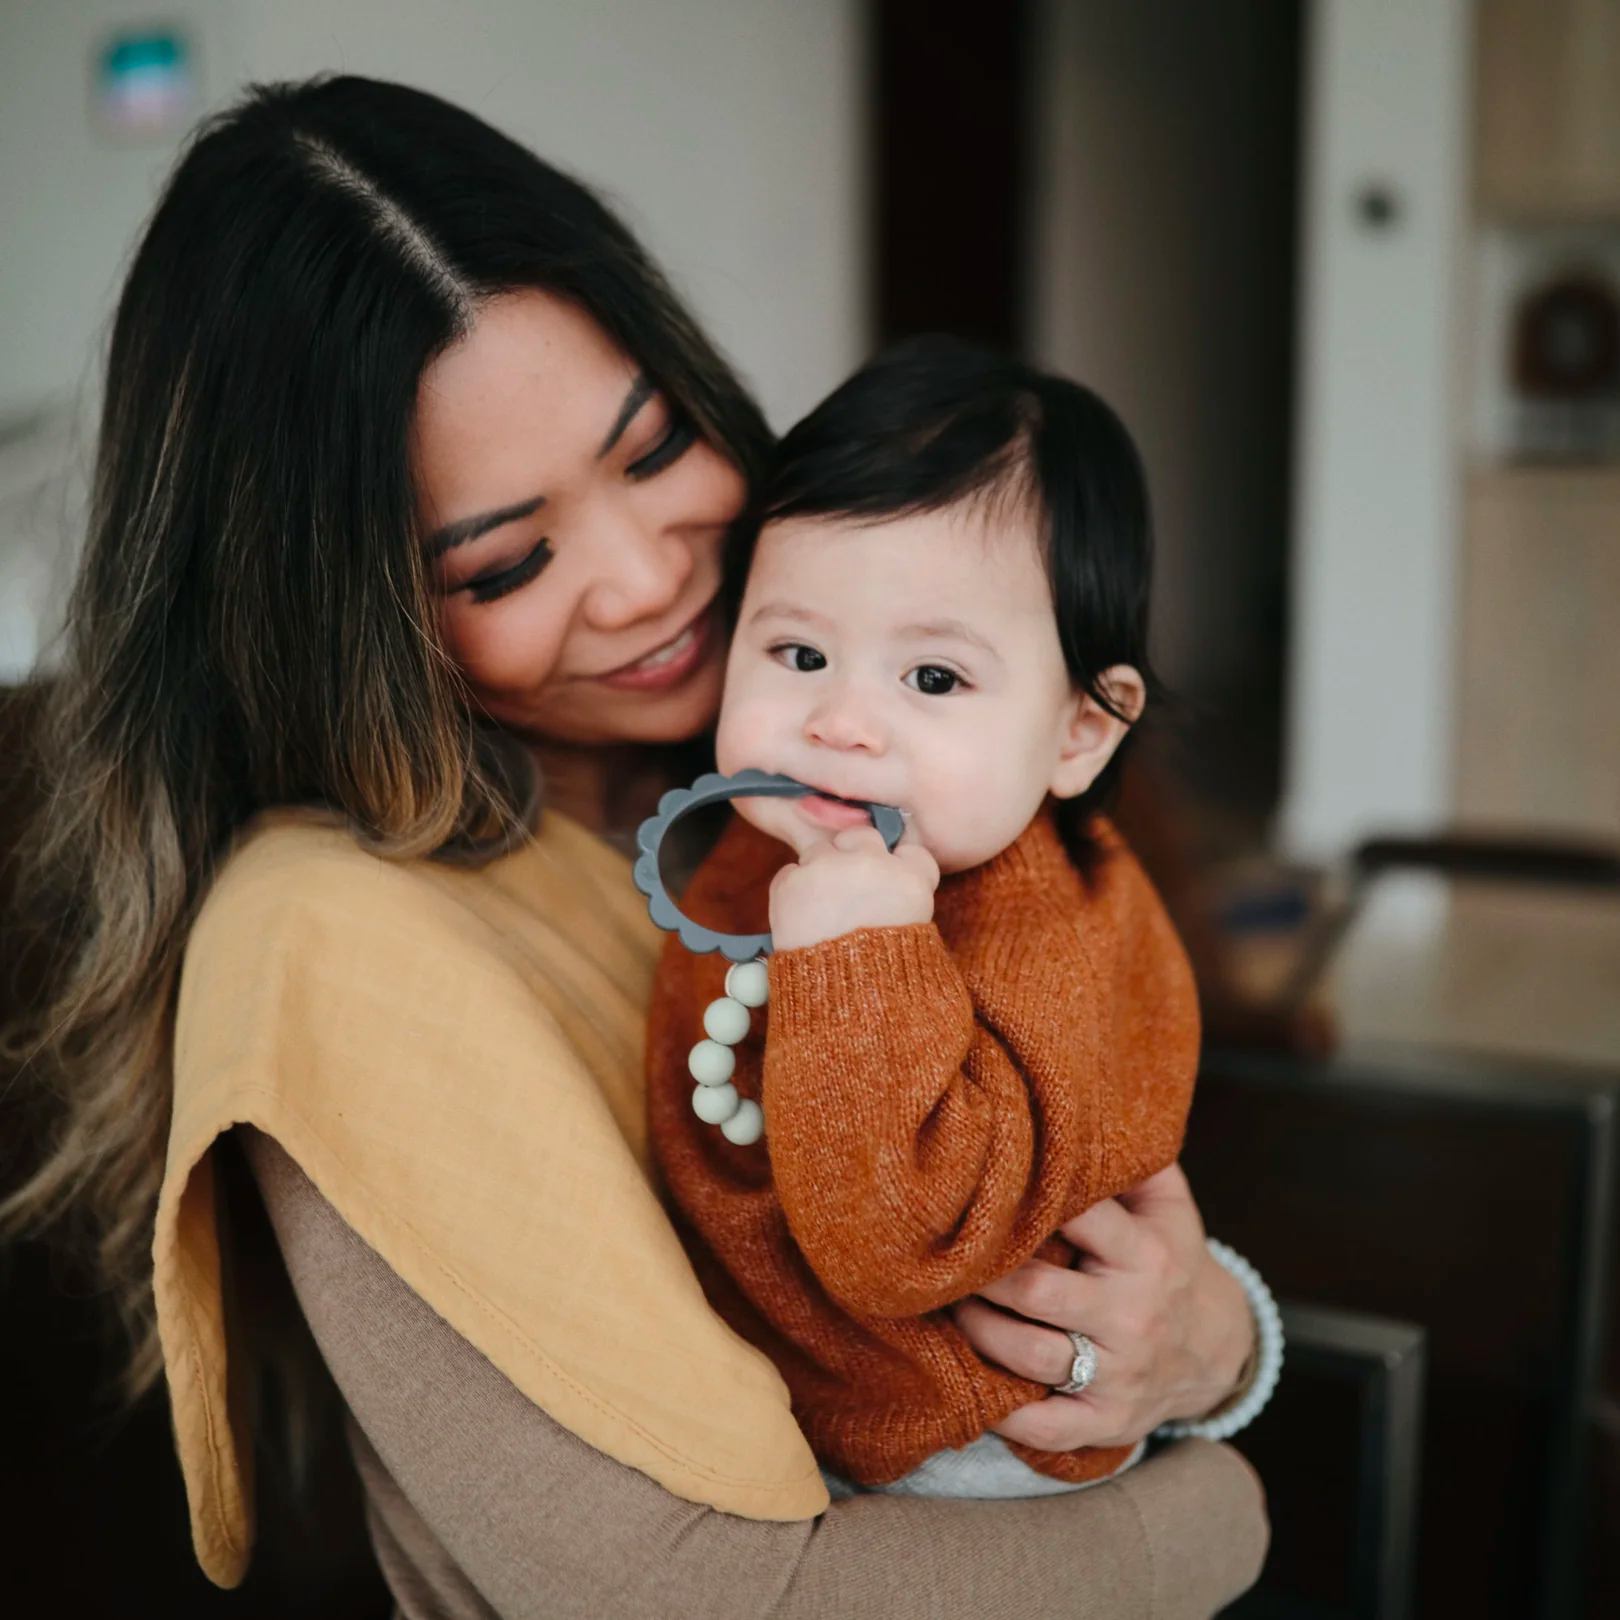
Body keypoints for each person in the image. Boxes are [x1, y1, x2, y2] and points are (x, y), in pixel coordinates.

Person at [3, 75, 1267, 1618]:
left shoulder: (832, 737)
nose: (648, 578)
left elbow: (1119, 1191)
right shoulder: (333, 943)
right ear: (334, 614)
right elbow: (681, 1595)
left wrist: (1218, 1337)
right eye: (509, 556)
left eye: (657, 447)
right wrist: (1220, 1517)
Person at [649, 339, 1249, 1501]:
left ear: (1080, 732)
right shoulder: (778, 833)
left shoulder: (1034, 931)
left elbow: (903, 1242)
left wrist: (860, 958)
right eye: (799, 651)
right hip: (811, 1392)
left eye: (932, 680)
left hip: (964, 1433)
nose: (841, 721)